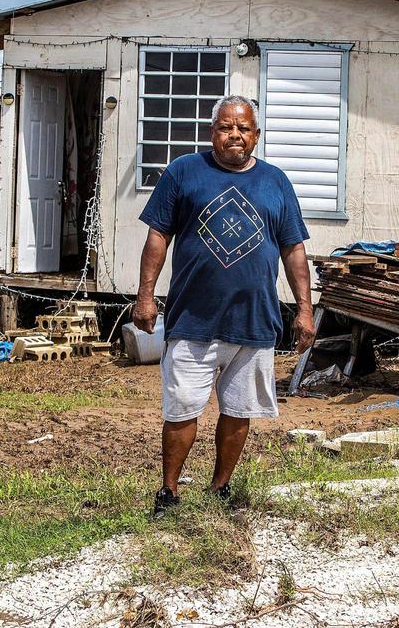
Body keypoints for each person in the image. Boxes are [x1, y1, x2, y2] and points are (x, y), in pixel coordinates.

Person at [134, 94, 316, 519]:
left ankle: (220, 488)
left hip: (253, 320)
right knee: (181, 410)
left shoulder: (276, 182)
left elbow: (294, 249)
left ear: (256, 135)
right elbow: (157, 237)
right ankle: (169, 493)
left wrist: (305, 308)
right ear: (212, 131)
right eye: (225, 127)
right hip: (193, 319)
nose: (235, 135)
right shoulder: (184, 172)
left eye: (244, 128)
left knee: (239, 411)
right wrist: (145, 295)